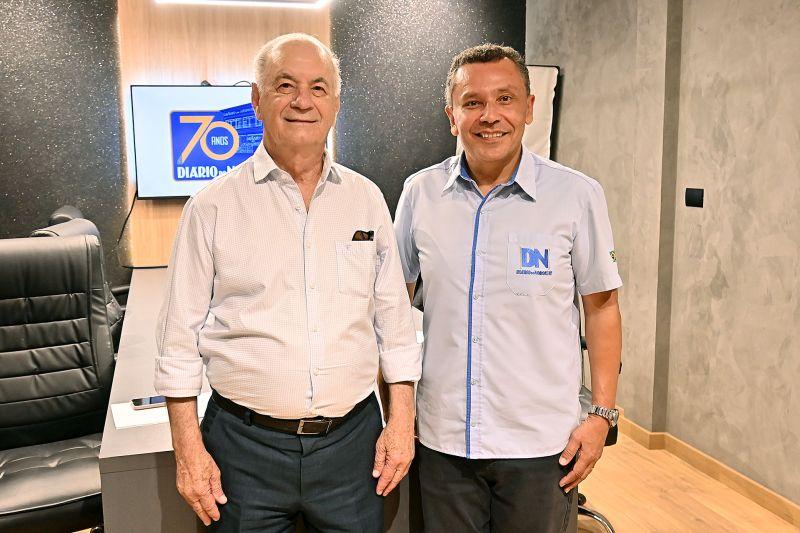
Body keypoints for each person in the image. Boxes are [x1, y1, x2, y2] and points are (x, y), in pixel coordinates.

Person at [155, 33, 421, 532]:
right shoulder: (211, 207)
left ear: (335, 104)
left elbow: (394, 324)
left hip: (353, 450)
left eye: (318, 88)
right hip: (243, 453)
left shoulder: (366, 200)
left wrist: (401, 421)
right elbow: (177, 343)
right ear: (257, 101)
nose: (303, 101)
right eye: (285, 86)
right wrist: (188, 451)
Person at [394, 43, 623, 533]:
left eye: (505, 99)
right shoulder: (419, 194)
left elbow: (603, 307)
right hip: (443, 442)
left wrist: (601, 415)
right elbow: (391, 306)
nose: (490, 116)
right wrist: (397, 411)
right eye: (472, 102)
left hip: (542, 446)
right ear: (451, 115)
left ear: (530, 107)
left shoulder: (576, 195)